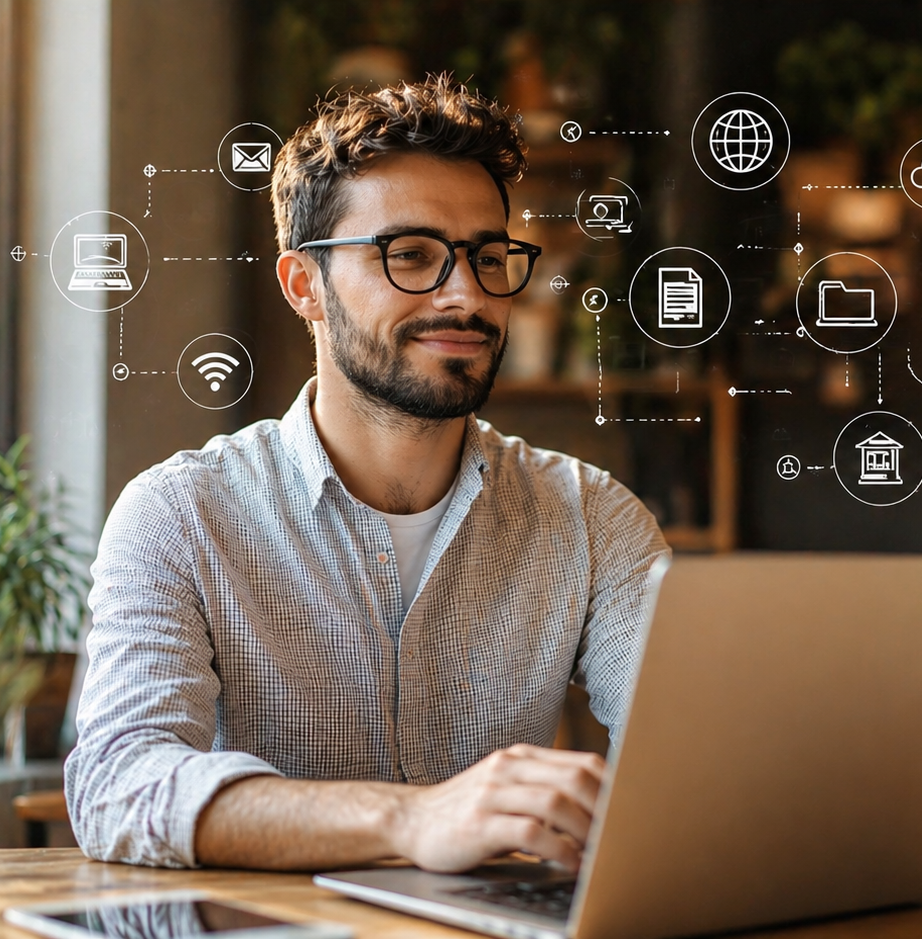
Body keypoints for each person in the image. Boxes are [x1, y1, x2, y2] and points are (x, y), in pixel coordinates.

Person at [65, 75, 668, 874]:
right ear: (304, 286)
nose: (467, 295)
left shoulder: (595, 519)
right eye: (411, 254)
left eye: (488, 257)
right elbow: (118, 786)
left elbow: (687, 766)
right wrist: (409, 819)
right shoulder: (180, 514)